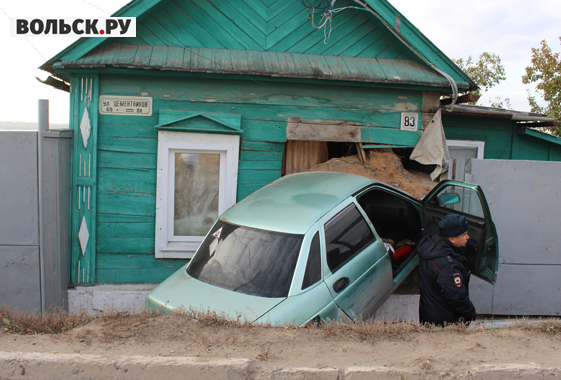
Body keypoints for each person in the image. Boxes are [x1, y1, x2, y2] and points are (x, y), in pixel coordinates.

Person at [417, 214, 476, 326]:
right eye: (464, 235)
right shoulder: (448, 265)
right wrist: (471, 314)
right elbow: (456, 297)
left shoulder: (432, 245)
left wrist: (468, 245)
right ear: (452, 238)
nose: (468, 237)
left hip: (429, 316)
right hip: (445, 323)